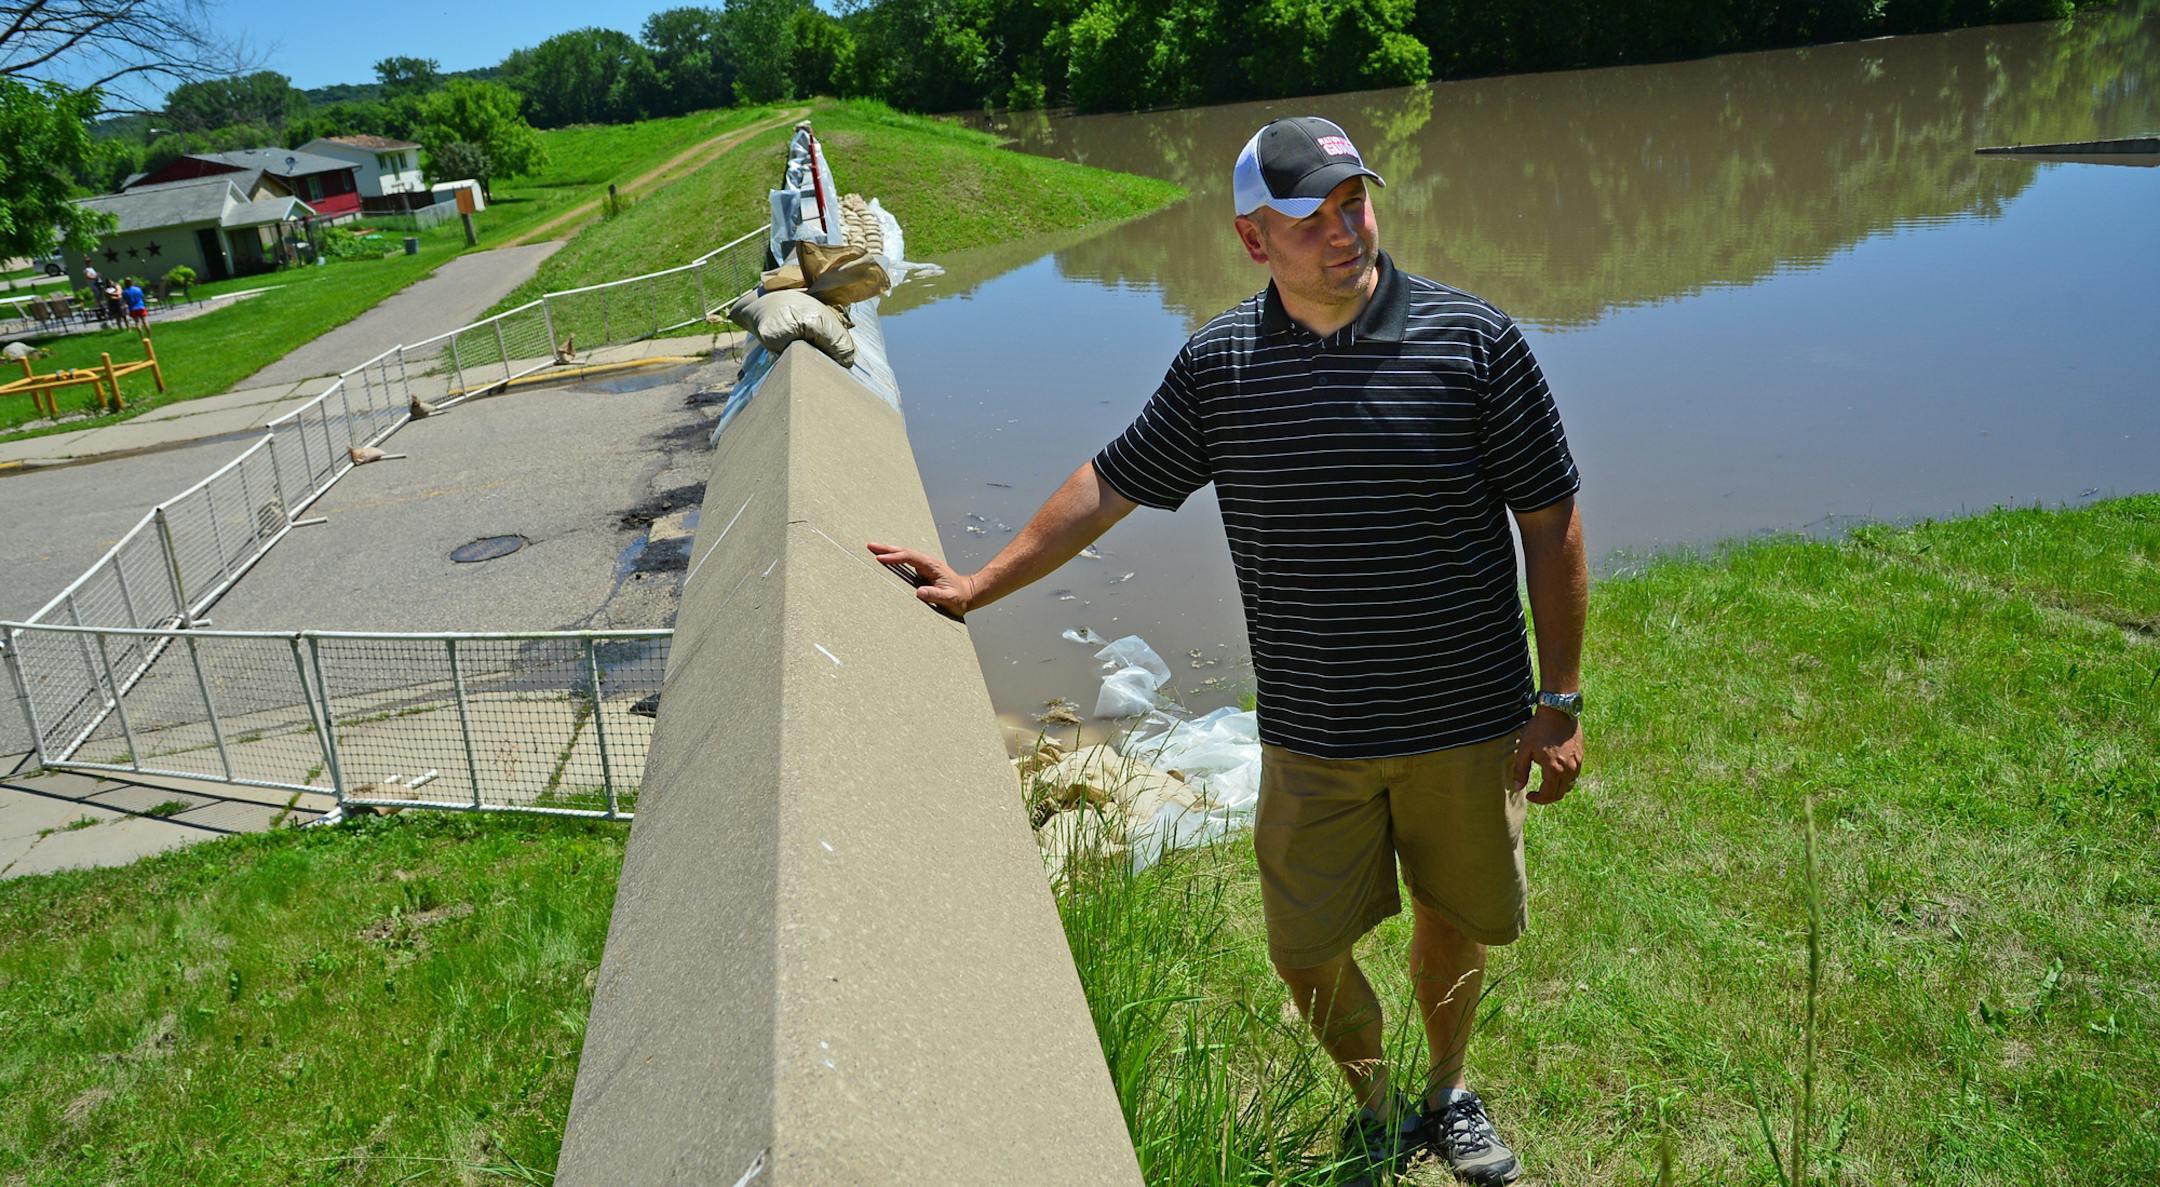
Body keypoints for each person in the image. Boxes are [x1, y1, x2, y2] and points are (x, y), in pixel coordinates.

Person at [868, 116, 1587, 1187]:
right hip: (1315, 733)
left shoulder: (1472, 340)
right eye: (1313, 216)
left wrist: (1559, 699)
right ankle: (1379, 1100)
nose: (1346, 230)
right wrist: (978, 583)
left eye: (1355, 202)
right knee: (1304, 950)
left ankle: (1447, 1091)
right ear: (1256, 239)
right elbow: (1108, 484)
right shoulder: (1222, 366)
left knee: (1455, 922)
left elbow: (1550, 518)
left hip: (1463, 721)